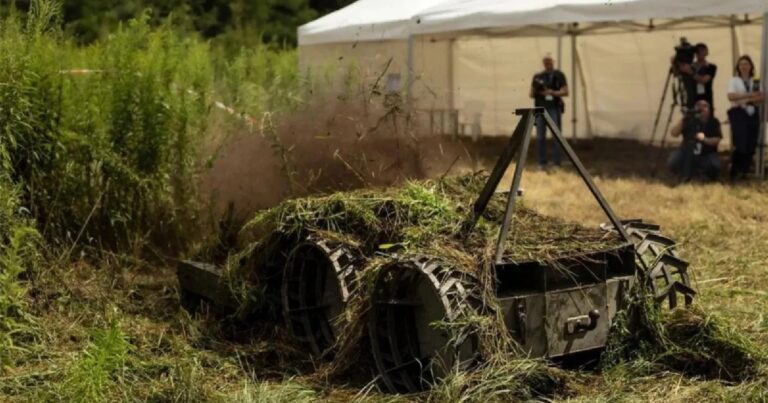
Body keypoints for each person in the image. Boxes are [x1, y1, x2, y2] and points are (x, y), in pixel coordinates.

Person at [727, 55, 764, 181]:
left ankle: (745, 170)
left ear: (751, 66)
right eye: (741, 64)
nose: (744, 66)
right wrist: (751, 96)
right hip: (738, 112)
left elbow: (761, 97)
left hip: (752, 112)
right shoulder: (734, 80)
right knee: (740, 141)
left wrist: (744, 98)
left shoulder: (756, 80)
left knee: (751, 142)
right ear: (738, 66)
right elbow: (731, 97)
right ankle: (735, 170)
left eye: (746, 64)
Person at [667, 100, 722, 182]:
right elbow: (674, 133)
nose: (702, 108)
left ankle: (700, 172)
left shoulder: (714, 122)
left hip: (706, 154)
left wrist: (705, 139)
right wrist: (684, 120)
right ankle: (686, 172)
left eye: (705, 106)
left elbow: (717, 140)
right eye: (699, 106)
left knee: (714, 166)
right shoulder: (689, 120)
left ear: (709, 110)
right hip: (686, 152)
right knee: (673, 161)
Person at [530, 55, 568, 169]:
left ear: (553, 62)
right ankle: (542, 162)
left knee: (556, 136)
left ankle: (557, 162)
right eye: (546, 63)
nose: (548, 65)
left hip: (554, 108)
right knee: (540, 136)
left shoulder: (559, 75)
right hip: (540, 109)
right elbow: (531, 93)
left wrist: (553, 93)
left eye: (550, 62)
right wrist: (541, 92)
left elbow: (565, 91)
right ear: (543, 63)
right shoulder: (537, 76)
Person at [692, 43, 717, 110]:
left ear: (706, 52)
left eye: (702, 50)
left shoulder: (711, 67)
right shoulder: (691, 67)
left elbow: (704, 80)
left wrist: (690, 72)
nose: (700, 53)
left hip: (707, 97)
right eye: (698, 51)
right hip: (693, 98)